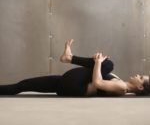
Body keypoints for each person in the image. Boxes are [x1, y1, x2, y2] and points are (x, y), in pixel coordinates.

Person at [0, 39, 150, 96]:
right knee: (23, 85)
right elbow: (97, 73)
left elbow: (97, 83)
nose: (138, 75)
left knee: (108, 65)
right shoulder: (120, 81)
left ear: (141, 87)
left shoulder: (122, 87)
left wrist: (99, 63)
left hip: (75, 87)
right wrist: (97, 62)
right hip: (66, 85)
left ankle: (69, 58)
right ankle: (68, 58)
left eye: (141, 78)